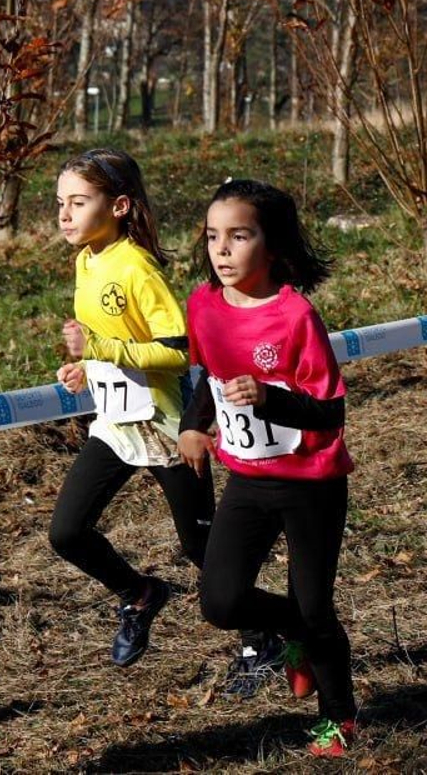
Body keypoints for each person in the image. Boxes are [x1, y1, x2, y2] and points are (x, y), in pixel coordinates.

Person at [177, 180, 357, 758]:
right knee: (220, 601)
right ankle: (299, 636)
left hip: (312, 483)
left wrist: (270, 398)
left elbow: (330, 411)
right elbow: (209, 376)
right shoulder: (203, 305)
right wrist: (193, 423)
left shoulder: (296, 315)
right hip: (248, 479)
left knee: (313, 604)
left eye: (239, 236)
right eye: (212, 237)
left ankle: (339, 720)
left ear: (272, 246)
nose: (222, 250)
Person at [48, 149, 212, 669]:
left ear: (118, 206)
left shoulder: (137, 267)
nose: (65, 215)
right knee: (67, 533)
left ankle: (266, 634)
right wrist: (86, 369)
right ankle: (140, 593)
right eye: (60, 203)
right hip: (117, 424)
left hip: (166, 427)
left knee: (201, 547)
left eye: (78, 202)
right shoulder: (85, 260)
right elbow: (109, 341)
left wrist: (102, 351)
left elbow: (181, 349)